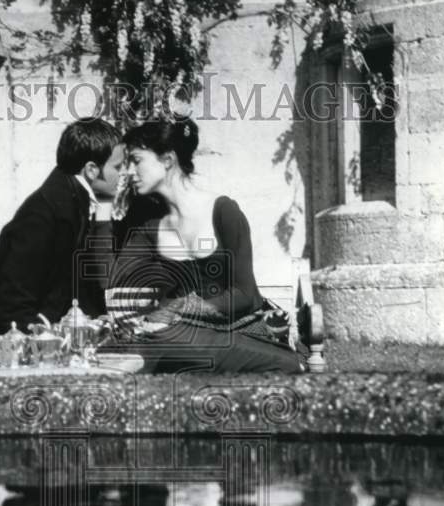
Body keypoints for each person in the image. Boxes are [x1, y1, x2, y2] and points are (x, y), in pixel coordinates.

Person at [105, 117, 303, 374]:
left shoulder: (223, 212)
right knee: (146, 343)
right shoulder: (150, 226)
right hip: (181, 335)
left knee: (281, 364)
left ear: (167, 160)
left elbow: (245, 295)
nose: (128, 171)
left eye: (137, 160)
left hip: (238, 330)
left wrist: (182, 306)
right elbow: (113, 280)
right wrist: (105, 205)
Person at [0, 118, 124, 357]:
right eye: (118, 167)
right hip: (4, 348)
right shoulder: (43, 214)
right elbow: (14, 307)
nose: (124, 174)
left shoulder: (74, 201)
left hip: (50, 342)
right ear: (92, 169)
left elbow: (83, 284)